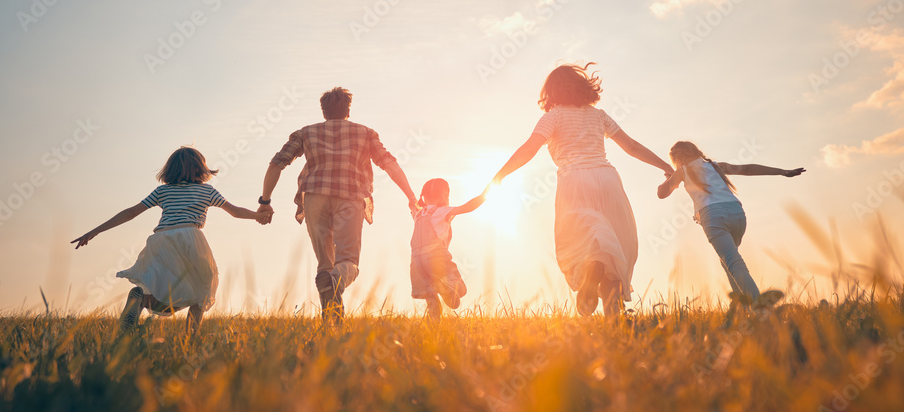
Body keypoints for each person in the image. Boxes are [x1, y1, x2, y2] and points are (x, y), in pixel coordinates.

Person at [490, 63, 673, 317]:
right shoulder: (599, 116)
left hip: (574, 180)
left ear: (551, 92)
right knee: (615, 247)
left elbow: (529, 149)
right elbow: (631, 146)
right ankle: (614, 319)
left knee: (584, 240)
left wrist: (499, 176)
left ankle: (592, 269)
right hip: (608, 180)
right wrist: (666, 166)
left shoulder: (552, 117)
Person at [258, 87, 417, 323]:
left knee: (326, 264)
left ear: (323, 111)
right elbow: (389, 164)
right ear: (348, 110)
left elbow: (277, 164)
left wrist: (265, 201)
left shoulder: (305, 133)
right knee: (348, 262)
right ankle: (334, 296)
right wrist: (410, 196)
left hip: (314, 197)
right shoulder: (365, 133)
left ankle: (332, 323)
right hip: (350, 195)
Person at [72, 147, 267, 337]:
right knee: (203, 288)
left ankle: (140, 301)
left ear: (170, 170)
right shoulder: (207, 191)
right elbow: (235, 212)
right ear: (200, 168)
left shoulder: (162, 191)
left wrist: (95, 231)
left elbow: (131, 212)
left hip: (161, 239)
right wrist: (258, 215)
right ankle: (191, 337)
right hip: (190, 237)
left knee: (163, 286)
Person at [657, 140, 805, 307]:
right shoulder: (714, 166)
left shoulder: (682, 171)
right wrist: (782, 171)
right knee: (728, 261)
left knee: (733, 262)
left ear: (676, 158)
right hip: (737, 213)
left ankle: (761, 309)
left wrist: (670, 179)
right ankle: (742, 308)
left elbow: (661, 193)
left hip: (713, 216)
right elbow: (747, 169)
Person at [410, 179, 486, 320]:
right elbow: (468, 207)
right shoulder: (442, 211)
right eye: (447, 196)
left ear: (424, 197)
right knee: (460, 290)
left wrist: (412, 199)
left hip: (416, 262)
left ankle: (433, 326)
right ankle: (443, 285)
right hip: (435, 256)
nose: (447, 199)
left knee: (430, 296)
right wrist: (485, 194)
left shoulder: (418, 214)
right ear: (443, 196)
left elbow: (412, 205)